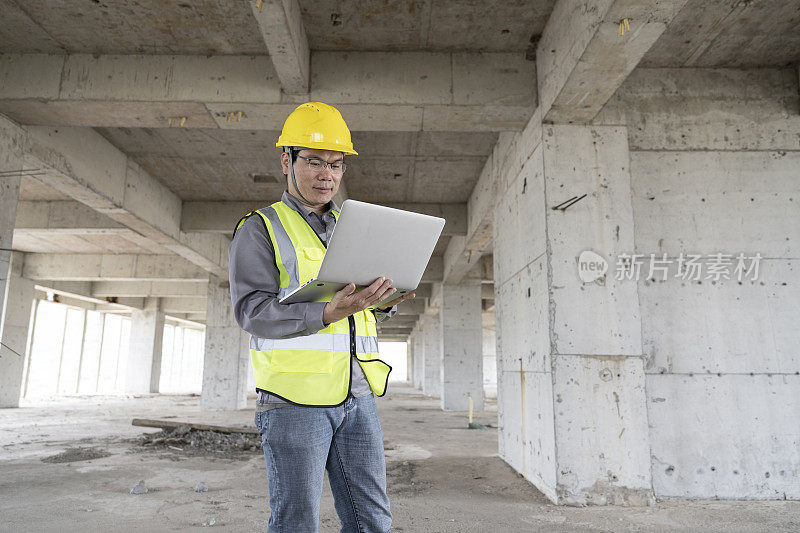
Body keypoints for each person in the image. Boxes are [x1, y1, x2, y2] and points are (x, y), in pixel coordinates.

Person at [228, 101, 415, 532]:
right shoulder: (261, 228)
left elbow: (357, 317)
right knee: (297, 521)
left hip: (358, 394)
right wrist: (329, 311)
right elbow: (252, 312)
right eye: (313, 161)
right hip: (295, 401)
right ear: (286, 161)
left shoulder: (353, 228)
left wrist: (382, 301)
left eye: (336, 163)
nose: (325, 174)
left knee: (372, 519)